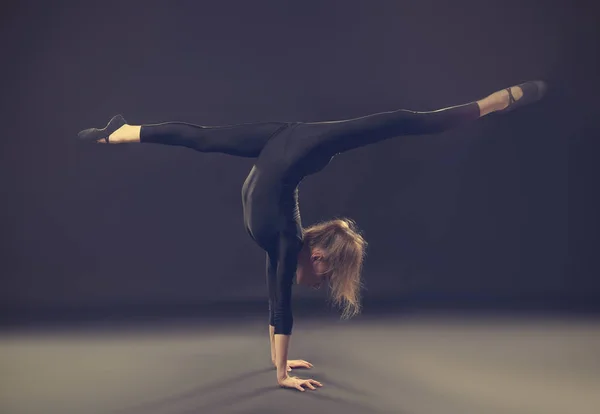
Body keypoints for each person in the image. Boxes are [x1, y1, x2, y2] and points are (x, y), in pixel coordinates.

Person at [77, 80, 547, 392]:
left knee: (203, 138)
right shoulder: (284, 242)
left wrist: (281, 364)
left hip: (282, 142)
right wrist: (282, 375)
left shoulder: (282, 244)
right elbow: (282, 307)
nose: (315, 284)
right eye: (324, 279)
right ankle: (494, 102)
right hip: (306, 143)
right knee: (405, 121)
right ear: (318, 256)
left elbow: (272, 302)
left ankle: (121, 135)